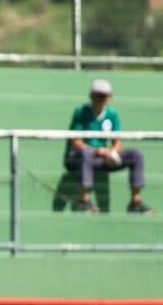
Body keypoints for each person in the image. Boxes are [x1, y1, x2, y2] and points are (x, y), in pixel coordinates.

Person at [64, 79, 152, 213]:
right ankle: (85, 201)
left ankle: (136, 201)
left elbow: (117, 142)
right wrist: (99, 151)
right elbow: (76, 142)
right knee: (86, 154)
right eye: (97, 95)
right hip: (80, 157)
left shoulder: (112, 114)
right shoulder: (81, 111)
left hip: (103, 158)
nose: (100, 99)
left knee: (136, 155)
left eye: (103, 96)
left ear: (110, 98)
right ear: (91, 96)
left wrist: (112, 153)